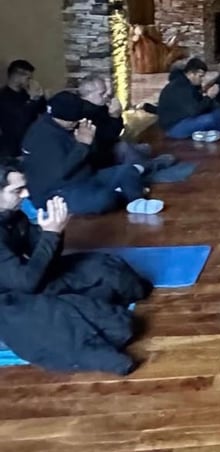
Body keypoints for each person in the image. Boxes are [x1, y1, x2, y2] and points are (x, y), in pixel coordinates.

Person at [0, 163, 151, 375]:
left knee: (104, 268)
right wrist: (50, 235)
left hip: (21, 281)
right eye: (17, 191)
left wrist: (55, 231)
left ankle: (86, 309)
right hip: (10, 301)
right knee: (54, 318)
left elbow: (45, 257)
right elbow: (27, 283)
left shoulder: (13, 215)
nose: (26, 195)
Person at [20, 92, 153, 216]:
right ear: (63, 118)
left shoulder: (67, 126)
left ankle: (136, 201)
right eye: (75, 120)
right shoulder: (41, 136)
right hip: (57, 191)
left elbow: (93, 156)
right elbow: (62, 172)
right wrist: (82, 144)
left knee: (126, 170)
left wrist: (90, 141)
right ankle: (124, 194)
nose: (78, 122)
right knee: (104, 199)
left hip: (85, 178)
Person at [157, 58, 220, 140]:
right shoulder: (180, 87)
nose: (202, 80)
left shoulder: (189, 84)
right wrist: (209, 96)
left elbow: (199, 104)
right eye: (200, 76)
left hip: (187, 118)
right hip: (175, 128)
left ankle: (202, 133)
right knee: (210, 119)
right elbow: (195, 111)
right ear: (191, 74)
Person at [0, 60, 47, 158]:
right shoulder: (3, 96)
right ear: (16, 76)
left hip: (31, 142)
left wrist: (40, 96)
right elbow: (21, 116)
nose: (30, 81)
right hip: (13, 146)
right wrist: (32, 99)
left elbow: (43, 110)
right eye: (28, 78)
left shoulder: (26, 94)